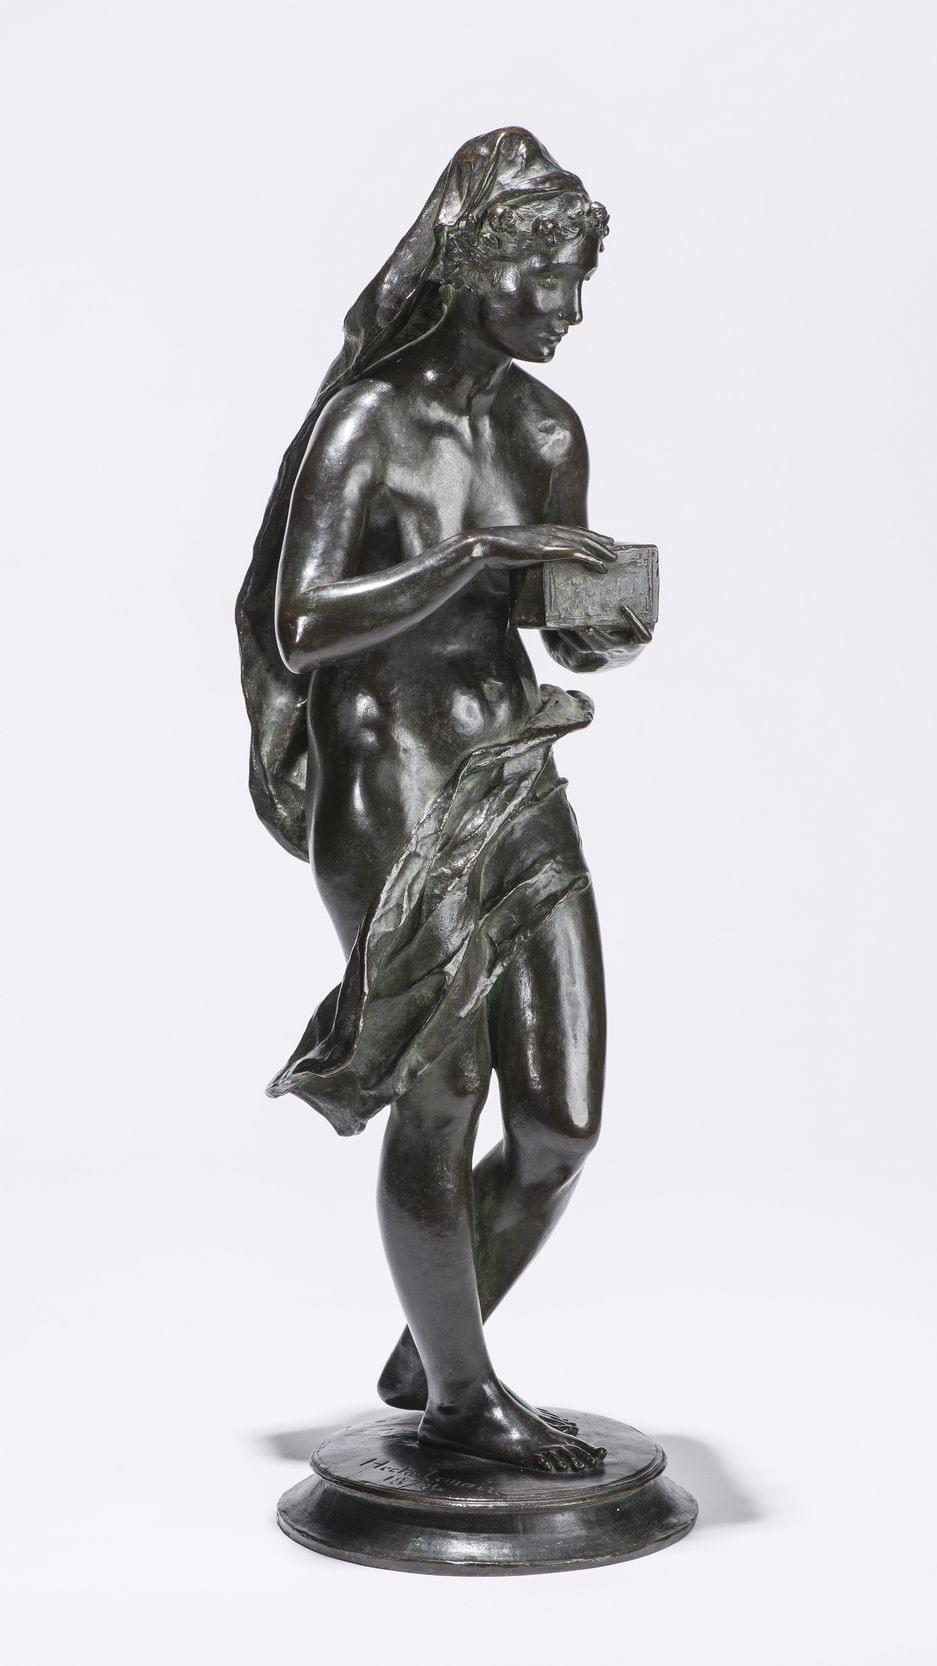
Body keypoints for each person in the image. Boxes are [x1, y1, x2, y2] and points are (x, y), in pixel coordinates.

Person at [237, 129, 652, 1475]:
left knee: (560, 1123)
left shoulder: (546, 431)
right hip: (388, 786)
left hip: (508, 763)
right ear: (476, 265)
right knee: (444, 1088)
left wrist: (594, 627)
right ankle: (463, 1397)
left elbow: (540, 618)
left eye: (580, 280)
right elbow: (303, 623)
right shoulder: (367, 422)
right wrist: (476, 550)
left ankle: (435, 1342)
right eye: (547, 277)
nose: (567, 309)